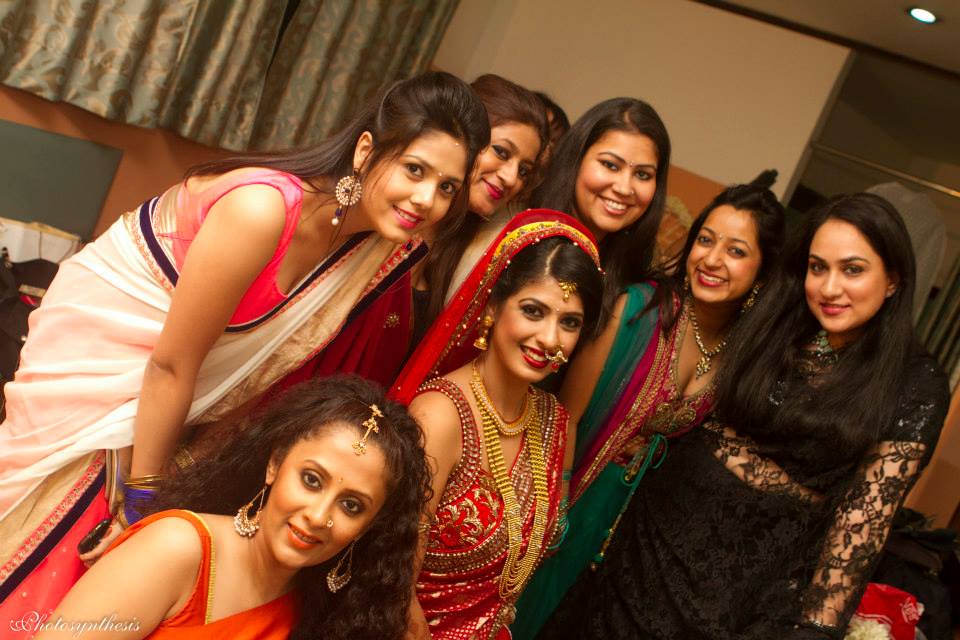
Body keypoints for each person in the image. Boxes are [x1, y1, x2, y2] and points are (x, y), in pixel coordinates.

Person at [0, 71, 488, 612]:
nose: (426, 199)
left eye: (447, 187)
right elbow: (169, 366)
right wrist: (141, 503)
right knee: (73, 528)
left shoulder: (370, 246)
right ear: (366, 150)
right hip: (101, 360)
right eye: (415, 170)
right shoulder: (262, 209)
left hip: (164, 390)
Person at [540, 193, 950, 639]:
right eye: (817, 267)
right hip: (643, 549)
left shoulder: (913, 383)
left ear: (893, 280)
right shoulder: (779, 324)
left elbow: (862, 526)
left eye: (852, 269)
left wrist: (815, 628)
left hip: (744, 597)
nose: (829, 288)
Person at [511, 183, 787, 639]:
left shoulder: (742, 361)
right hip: (572, 495)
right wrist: (555, 506)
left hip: (640, 537)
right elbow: (565, 417)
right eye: (706, 240)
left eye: (736, 251)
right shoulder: (637, 310)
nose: (712, 259)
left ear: (762, 273)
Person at [31, 375, 431, 639]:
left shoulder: (324, 613)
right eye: (311, 480)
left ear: (369, 525)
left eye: (351, 505)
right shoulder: (177, 549)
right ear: (274, 465)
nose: (318, 515)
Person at [392, 210, 603, 639]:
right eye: (533, 311)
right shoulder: (440, 416)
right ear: (492, 307)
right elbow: (395, 582)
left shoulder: (554, 422)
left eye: (569, 322)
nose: (549, 339)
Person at [531, 97, 671, 325]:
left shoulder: (635, 289)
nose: (624, 188)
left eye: (642, 174)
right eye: (610, 165)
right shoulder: (521, 237)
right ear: (576, 159)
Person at [424, 74, 550, 322]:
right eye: (501, 152)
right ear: (463, 135)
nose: (511, 178)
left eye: (524, 170)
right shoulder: (401, 216)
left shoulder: (472, 248)